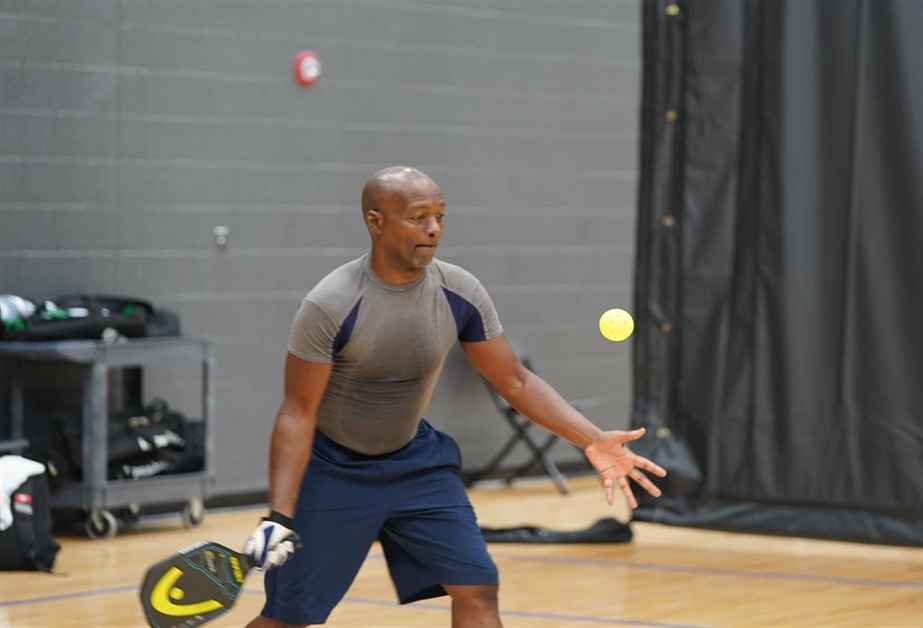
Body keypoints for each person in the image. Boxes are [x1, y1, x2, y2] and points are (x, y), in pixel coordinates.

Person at [241, 166, 667, 627]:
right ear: (375, 221)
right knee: (289, 617)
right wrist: (278, 516)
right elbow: (298, 413)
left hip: (416, 465)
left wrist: (591, 438)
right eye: (418, 217)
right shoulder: (332, 304)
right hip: (334, 470)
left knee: (478, 586)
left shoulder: (459, 292)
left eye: (440, 216)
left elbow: (516, 382)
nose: (433, 229)